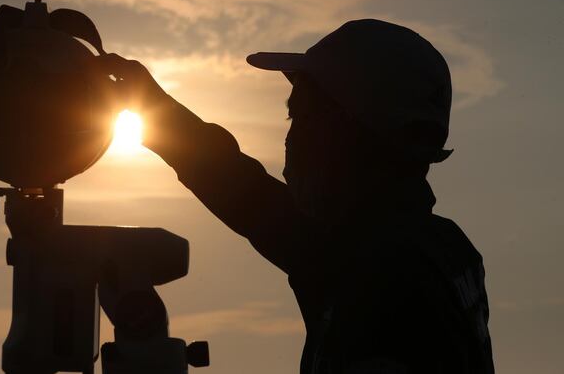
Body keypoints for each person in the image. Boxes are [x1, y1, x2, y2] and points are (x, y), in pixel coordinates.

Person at [97, 19, 495, 373]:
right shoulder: (422, 247)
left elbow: (256, 204)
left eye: (300, 117)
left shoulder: (379, 274)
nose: (291, 139)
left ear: (350, 132)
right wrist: (155, 111)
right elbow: (248, 196)